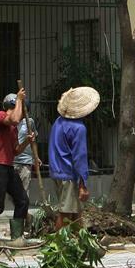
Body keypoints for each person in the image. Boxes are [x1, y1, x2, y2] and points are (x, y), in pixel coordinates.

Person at [0, 89, 35, 242]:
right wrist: (20, 99)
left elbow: (16, 150)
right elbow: (13, 119)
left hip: (8, 167)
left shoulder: (13, 130)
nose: (21, 117)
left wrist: (27, 141)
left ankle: (17, 237)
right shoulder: (0, 116)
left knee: (22, 200)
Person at [48, 87, 100, 230]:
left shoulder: (58, 122)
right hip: (68, 173)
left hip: (57, 170)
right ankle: (59, 246)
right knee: (65, 212)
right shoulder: (78, 128)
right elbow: (79, 157)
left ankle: (79, 243)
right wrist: (83, 184)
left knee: (76, 210)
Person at [11, 95, 40, 225]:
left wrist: (36, 157)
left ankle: (20, 225)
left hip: (25, 163)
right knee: (14, 196)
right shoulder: (11, 121)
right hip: (12, 162)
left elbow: (34, 141)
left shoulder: (30, 122)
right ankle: (27, 218)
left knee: (24, 195)